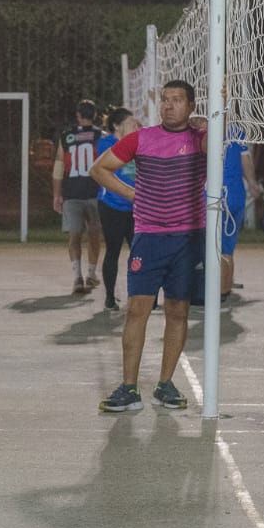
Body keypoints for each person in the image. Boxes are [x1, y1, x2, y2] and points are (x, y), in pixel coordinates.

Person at [90, 79, 206, 413]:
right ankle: (129, 388)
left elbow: (217, 145)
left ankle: (165, 384)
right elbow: (99, 169)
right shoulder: (141, 138)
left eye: (177, 100)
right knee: (137, 309)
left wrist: (212, 121)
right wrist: (132, 193)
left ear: (191, 106)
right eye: (165, 100)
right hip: (149, 237)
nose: (169, 105)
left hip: (188, 238)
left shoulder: (200, 139)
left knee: (178, 310)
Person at [53, 99, 105, 294]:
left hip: (72, 193)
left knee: (74, 235)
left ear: (77, 115)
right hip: (96, 193)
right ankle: (91, 273)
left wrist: (57, 194)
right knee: (94, 235)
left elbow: (59, 167)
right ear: (95, 115)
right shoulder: (101, 136)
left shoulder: (67, 136)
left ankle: (77, 277)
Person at [95, 106, 139, 314]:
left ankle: (139, 296)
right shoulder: (106, 143)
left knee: (138, 252)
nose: (134, 126)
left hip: (135, 206)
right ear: (116, 125)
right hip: (112, 206)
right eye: (130, 123)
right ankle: (110, 298)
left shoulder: (136, 143)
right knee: (113, 250)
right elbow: (109, 172)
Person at [217, 123, 259, 301]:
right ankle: (225, 289)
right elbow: (246, 159)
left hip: (216, 195)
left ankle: (217, 291)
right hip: (236, 194)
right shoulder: (236, 131)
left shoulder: (205, 130)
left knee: (214, 247)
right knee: (227, 247)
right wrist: (252, 183)